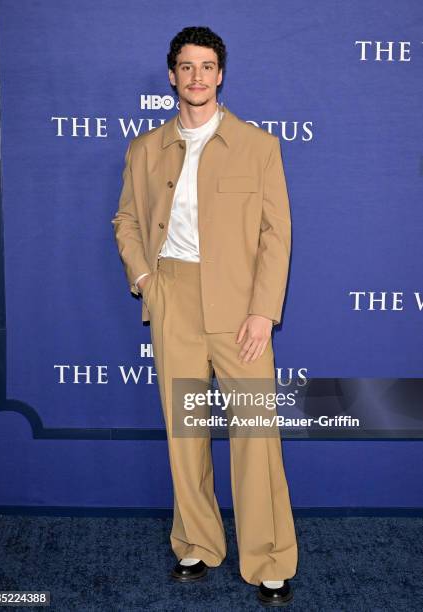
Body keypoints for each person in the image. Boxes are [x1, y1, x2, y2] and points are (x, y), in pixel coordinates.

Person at [112, 26, 298, 606]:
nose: (197, 77)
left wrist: (263, 312)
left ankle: (269, 558)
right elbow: (127, 222)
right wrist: (145, 280)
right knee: (185, 432)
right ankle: (196, 542)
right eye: (186, 66)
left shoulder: (258, 145)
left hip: (242, 306)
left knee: (255, 434)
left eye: (207, 66)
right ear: (172, 75)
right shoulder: (145, 149)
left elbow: (276, 234)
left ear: (221, 74)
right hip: (173, 298)